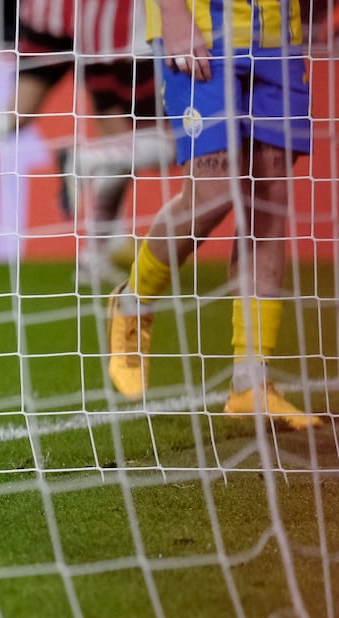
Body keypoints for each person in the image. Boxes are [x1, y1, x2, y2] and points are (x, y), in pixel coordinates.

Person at [105, 0, 319, 429]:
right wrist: (172, 12)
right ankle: (133, 299)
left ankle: (249, 382)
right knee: (213, 195)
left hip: (280, 34)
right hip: (202, 27)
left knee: (268, 203)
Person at [0, 0, 175, 288]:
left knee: (18, 110)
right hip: (107, 27)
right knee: (140, 141)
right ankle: (94, 239)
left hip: (48, 16)